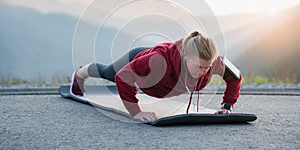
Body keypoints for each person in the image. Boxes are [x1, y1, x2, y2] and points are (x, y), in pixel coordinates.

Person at [71, 31, 242, 122]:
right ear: (185, 57)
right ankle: (80, 73)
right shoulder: (159, 61)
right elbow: (122, 77)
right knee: (108, 72)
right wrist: (135, 112)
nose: (203, 72)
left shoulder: (215, 62)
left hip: (155, 76)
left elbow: (236, 77)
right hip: (138, 59)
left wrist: (227, 105)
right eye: (199, 67)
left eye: (207, 67)